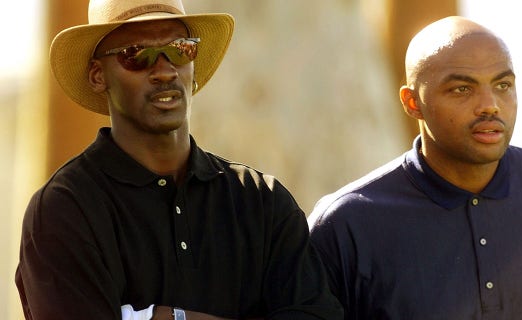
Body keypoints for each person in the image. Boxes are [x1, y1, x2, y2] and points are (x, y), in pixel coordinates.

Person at [15, 0, 343, 319]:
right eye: (136, 54)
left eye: (180, 49)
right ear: (99, 75)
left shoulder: (262, 201)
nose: (164, 70)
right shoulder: (64, 209)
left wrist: (173, 318)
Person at [308, 16, 522, 319]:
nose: (489, 105)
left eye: (502, 85)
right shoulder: (347, 223)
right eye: (462, 89)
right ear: (413, 103)